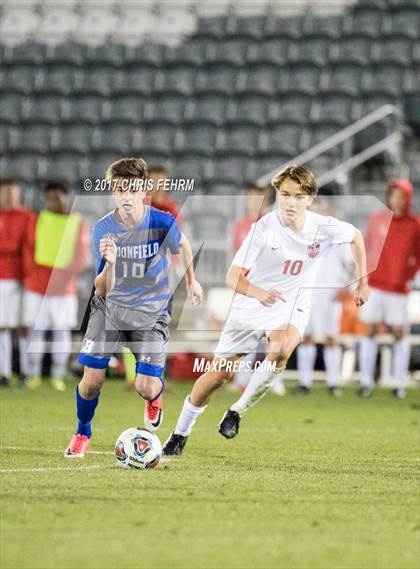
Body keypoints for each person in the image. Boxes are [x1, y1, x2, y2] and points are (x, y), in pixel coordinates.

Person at [163, 165, 369, 456]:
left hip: (291, 305)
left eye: (298, 196)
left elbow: (356, 236)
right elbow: (232, 277)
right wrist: (258, 292)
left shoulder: (324, 227)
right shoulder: (263, 228)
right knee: (218, 375)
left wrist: (362, 282)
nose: (290, 202)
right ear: (277, 194)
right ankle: (179, 433)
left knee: (282, 348)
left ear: (310, 198)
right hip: (251, 304)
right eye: (285, 194)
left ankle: (236, 411)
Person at [64, 157, 203, 458]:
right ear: (113, 192)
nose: (126, 195)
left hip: (151, 312)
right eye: (119, 189)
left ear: (144, 190)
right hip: (109, 310)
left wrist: (192, 281)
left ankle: (155, 396)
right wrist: (111, 264)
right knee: (91, 383)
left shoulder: (162, 221)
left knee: (145, 386)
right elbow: (101, 288)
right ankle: (82, 432)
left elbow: (184, 246)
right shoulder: (104, 229)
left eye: (132, 188)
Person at [23, 181, 89, 391]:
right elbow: (28, 250)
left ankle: (57, 375)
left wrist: (62, 278)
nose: (55, 201)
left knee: (61, 331)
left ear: (66, 197)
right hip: (37, 286)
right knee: (36, 331)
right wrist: (32, 276)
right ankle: (33, 374)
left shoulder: (77, 223)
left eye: (58, 196)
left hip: (63, 289)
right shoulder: (37, 220)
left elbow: (81, 256)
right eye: (51, 197)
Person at [359, 179, 419, 399]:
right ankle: (366, 382)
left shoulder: (415, 224)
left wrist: (409, 275)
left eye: (401, 195)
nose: (397, 199)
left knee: (399, 333)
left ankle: (398, 384)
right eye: (393, 194)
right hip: (374, 285)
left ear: (408, 198)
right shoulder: (377, 219)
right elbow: (365, 247)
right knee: (370, 331)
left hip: (398, 290)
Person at [296, 198, 354, 397]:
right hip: (308, 293)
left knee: (332, 338)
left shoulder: (337, 233)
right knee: (306, 338)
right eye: (316, 205)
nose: (319, 209)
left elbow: (350, 265)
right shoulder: (301, 232)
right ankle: (304, 383)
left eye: (323, 205)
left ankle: (333, 383)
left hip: (331, 295)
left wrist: (344, 288)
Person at [0, 178, 34, 387]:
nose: (9, 196)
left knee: (23, 326)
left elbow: (30, 247)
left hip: (23, 278)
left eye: (12, 192)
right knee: (2, 326)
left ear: (19, 194)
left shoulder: (28, 217)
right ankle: (4, 372)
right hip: (1, 278)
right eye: (5, 192)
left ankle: (25, 371)